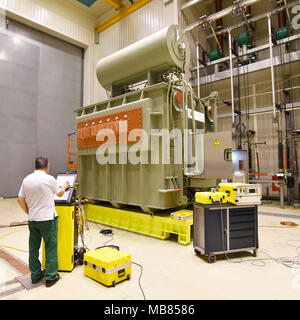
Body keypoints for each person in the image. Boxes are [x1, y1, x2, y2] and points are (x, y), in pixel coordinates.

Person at [17, 156, 70, 287]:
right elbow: (59, 193)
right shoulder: (49, 179)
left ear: (35, 166)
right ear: (47, 166)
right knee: (50, 247)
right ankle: (51, 277)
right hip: (48, 220)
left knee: (33, 248)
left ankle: (35, 275)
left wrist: (29, 213)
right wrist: (65, 186)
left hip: (33, 220)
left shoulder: (26, 179)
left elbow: (20, 199)